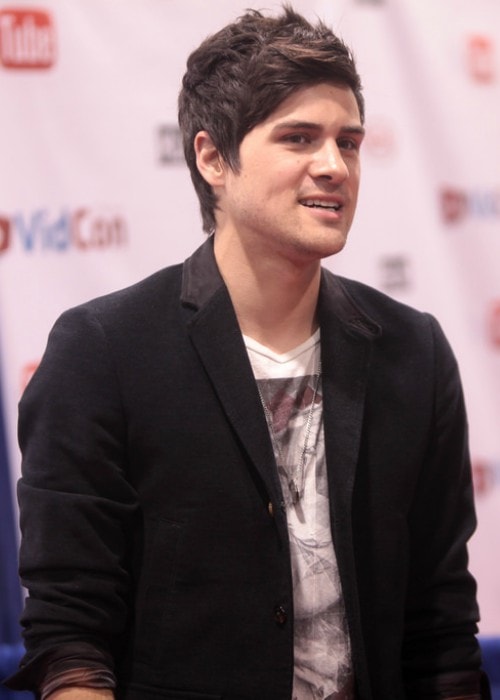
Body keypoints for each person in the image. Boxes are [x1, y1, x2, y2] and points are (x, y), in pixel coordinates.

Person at [4, 5, 491, 700]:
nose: (334, 167)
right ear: (212, 159)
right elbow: (71, 639)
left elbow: (440, 627)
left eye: (348, 143)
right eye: (298, 138)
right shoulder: (103, 352)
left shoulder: (414, 351)